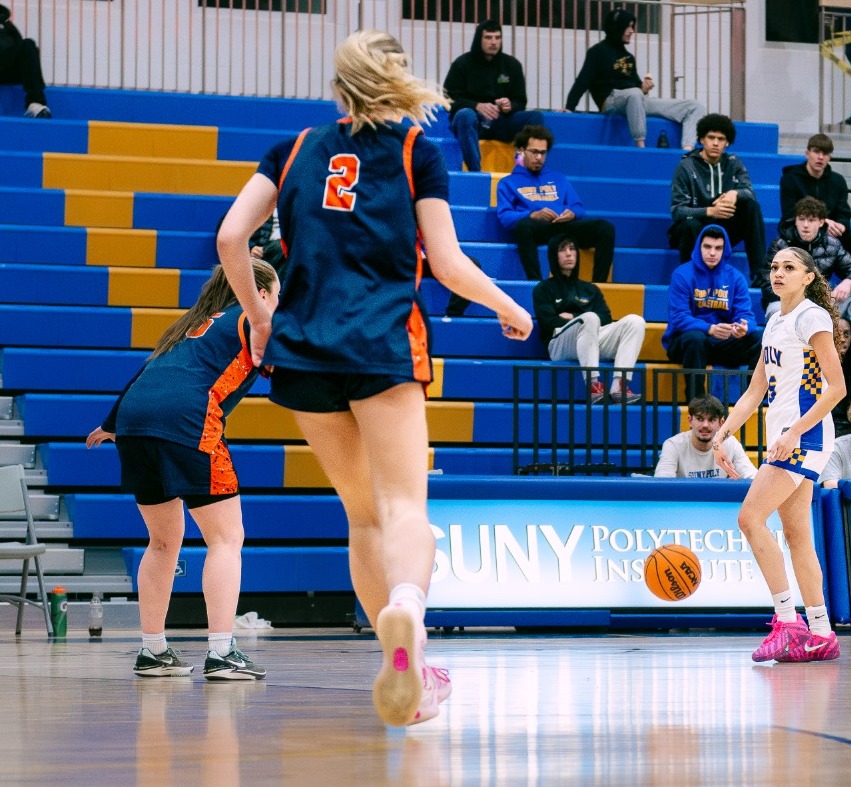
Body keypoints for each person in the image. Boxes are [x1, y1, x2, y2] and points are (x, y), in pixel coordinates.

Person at [214, 30, 534, 727]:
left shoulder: (294, 147)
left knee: (361, 514)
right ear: (400, 79)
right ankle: (408, 616)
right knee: (404, 510)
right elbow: (447, 264)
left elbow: (230, 238)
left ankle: (405, 669)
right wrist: (510, 305)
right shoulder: (419, 151)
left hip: (301, 349)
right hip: (382, 340)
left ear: (340, 83)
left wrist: (258, 318)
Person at [85, 261, 280, 681]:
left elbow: (145, 374)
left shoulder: (188, 326)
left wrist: (112, 423)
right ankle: (223, 652)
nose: (276, 305)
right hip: (187, 420)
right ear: (258, 292)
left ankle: (153, 651)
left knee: (162, 543)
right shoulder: (253, 317)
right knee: (227, 538)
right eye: (276, 295)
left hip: (135, 422)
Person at [713, 247, 847, 663]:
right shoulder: (775, 320)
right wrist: (724, 432)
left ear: (808, 277)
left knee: (749, 518)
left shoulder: (812, 317)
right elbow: (756, 389)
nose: (778, 272)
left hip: (803, 438)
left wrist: (794, 432)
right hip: (786, 438)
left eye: (789, 267)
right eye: (774, 266)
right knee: (797, 537)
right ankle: (822, 633)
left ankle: (789, 622)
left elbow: (837, 388)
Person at [562, 8, 704, 149]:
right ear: (617, 28)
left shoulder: (629, 57)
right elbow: (583, 80)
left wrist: (644, 88)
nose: (632, 31)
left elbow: (637, 88)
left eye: (632, 26)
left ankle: (687, 149)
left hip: (635, 99)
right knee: (634, 94)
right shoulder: (597, 51)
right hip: (610, 100)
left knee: (694, 106)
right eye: (628, 26)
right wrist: (569, 107)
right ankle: (640, 144)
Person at [496, 125, 617, 281]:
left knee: (605, 228)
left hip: (562, 226)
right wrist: (533, 215)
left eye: (543, 153)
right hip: (537, 229)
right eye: (534, 152)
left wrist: (572, 213)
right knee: (523, 226)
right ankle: (536, 284)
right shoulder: (507, 182)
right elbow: (505, 217)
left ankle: (599, 286)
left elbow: (578, 207)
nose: (538, 157)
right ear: (521, 150)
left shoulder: (558, 178)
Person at [533, 236, 645, 403]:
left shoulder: (590, 289)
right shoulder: (543, 289)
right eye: (562, 250)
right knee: (590, 318)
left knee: (636, 321)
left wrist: (574, 317)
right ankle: (593, 385)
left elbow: (606, 318)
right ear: (553, 256)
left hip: (591, 340)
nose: (569, 254)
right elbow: (549, 323)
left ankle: (618, 386)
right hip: (559, 344)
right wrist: (583, 321)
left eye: (572, 249)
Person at [668, 113, 769, 285]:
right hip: (694, 228)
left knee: (751, 207)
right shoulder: (686, 165)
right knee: (689, 224)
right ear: (701, 139)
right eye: (711, 137)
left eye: (721, 139)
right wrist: (710, 211)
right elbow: (677, 211)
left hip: (723, 227)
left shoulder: (733, 162)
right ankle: (690, 278)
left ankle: (760, 275)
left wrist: (734, 194)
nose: (715, 143)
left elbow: (749, 192)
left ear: (727, 142)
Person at [765, 197, 851, 356]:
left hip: (822, 304)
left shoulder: (832, 244)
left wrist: (848, 282)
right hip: (790, 304)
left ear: (822, 222)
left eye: (812, 220)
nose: (806, 225)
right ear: (795, 221)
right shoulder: (781, 245)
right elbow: (766, 281)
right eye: (801, 219)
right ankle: (781, 354)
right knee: (774, 309)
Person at [663, 225, 761, 397]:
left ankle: (752, 399)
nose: (712, 253)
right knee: (695, 338)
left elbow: (746, 316)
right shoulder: (682, 274)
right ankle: (697, 404)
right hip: (686, 344)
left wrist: (743, 328)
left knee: (758, 339)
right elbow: (679, 317)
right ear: (699, 247)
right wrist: (710, 328)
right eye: (707, 247)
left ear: (725, 250)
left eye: (718, 248)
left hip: (721, 343)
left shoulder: (735, 277)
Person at [443, 20, 545, 173]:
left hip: (501, 121)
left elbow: (520, 101)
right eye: (488, 37)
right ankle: (475, 173)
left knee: (535, 117)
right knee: (465, 115)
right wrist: (476, 106)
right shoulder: (462, 64)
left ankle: (527, 169)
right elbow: (449, 100)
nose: (494, 42)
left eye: (497, 38)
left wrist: (509, 105)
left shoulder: (512, 65)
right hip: (473, 122)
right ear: (479, 39)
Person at [779, 133, 851, 274]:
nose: (820, 157)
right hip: (801, 234)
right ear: (807, 153)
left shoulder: (838, 181)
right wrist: (822, 223)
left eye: (825, 153)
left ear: (829, 157)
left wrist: (841, 226)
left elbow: (844, 212)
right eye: (816, 152)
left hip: (831, 236)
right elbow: (789, 213)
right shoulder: (790, 179)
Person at [653, 395, 757, 479]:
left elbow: (751, 475)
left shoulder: (730, 443)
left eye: (711, 420)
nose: (705, 425)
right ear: (690, 420)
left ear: (721, 423)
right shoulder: (673, 445)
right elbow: (662, 480)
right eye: (700, 419)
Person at [0, 5, 48, 118]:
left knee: (29, 45)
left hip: (8, 69)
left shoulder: (6, 25)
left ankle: (35, 104)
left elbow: (18, 45)